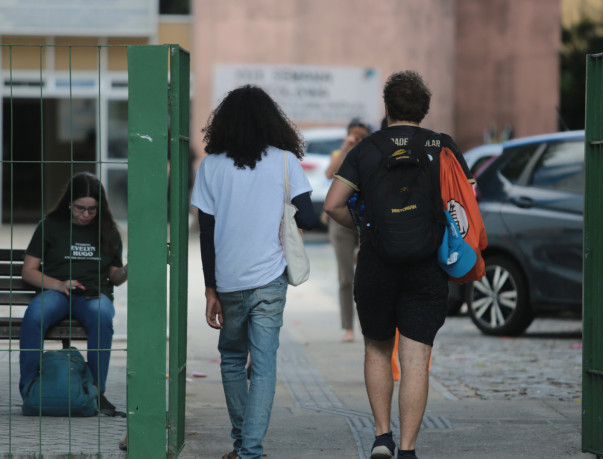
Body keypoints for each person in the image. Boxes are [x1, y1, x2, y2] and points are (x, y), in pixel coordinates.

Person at [324, 71, 470, 459]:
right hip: (427, 265)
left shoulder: (366, 149)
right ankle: (408, 449)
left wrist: (365, 228)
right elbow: (465, 204)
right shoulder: (443, 147)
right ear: (423, 109)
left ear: (386, 107)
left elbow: (332, 204)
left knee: (376, 348)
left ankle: (382, 438)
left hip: (376, 261)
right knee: (416, 356)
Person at [191, 85, 315, 459]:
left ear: (223, 124)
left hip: (228, 280)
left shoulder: (210, 166)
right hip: (270, 279)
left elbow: (206, 233)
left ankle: (243, 446)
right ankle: (250, 451)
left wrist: (210, 289)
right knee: (263, 365)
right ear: (271, 122)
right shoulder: (284, 161)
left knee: (231, 358)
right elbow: (309, 216)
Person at [19, 172, 127, 417]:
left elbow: (115, 277)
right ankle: (30, 388)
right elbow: (28, 271)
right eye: (80, 208)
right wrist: (59, 284)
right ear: (69, 203)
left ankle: (95, 391)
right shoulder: (50, 225)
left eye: (92, 210)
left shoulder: (108, 230)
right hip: (57, 291)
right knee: (34, 316)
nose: (86, 215)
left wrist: (129, 269)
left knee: (102, 317)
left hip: (93, 294)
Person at [324, 118, 372, 342]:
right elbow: (329, 174)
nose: (357, 140)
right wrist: (345, 148)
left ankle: (366, 321)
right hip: (341, 221)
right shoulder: (340, 154)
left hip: (366, 219)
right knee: (346, 277)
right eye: (353, 135)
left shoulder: (372, 155)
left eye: (361, 136)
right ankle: (348, 327)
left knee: (366, 274)